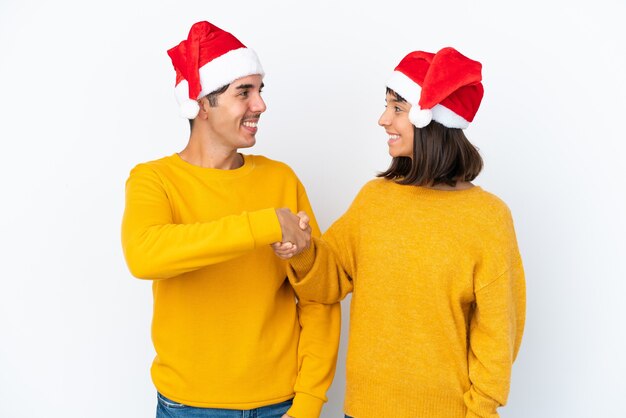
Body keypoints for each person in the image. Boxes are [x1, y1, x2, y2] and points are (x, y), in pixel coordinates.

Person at [274, 47, 526, 418]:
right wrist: (302, 248)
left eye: (397, 108)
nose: (382, 119)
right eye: (386, 106)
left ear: (430, 119)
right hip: (362, 410)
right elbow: (327, 284)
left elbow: (498, 334)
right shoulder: (374, 200)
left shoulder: (488, 218)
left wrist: (482, 410)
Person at [121, 21, 340, 418]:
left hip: (283, 404)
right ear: (202, 104)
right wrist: (264, 224)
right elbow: (144, 255)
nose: (260, 105)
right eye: (244, 92)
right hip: (189, 406)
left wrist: (309, 402)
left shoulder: (280, 179)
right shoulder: (155, 180)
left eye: (260, 90)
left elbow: (320, 297)